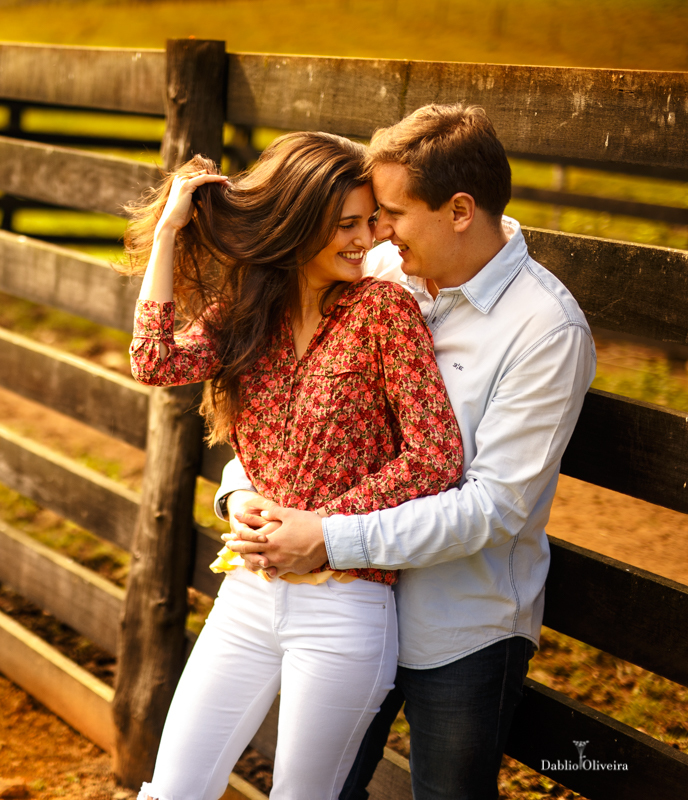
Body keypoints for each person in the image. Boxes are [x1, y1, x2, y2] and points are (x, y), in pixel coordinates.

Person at [219, 104, 597, 800]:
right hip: (349, 608)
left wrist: (330, 537)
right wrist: (241, 489)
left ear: (459, 210)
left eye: (392, 211)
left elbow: (494, 509)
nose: (377, 229)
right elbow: (299, 397)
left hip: (461, 626)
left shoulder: (545, 330)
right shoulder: (381, 271)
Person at [121, 131, 464, 800]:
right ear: (298, 222)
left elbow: (436, 455)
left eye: (370, 222)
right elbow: (155, 360)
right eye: (344, 226)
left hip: (346, 605)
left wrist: (318, 524)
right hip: (248, 591)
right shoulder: (251, 310)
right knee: (172, 791)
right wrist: (167, 233)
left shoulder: (383, 313)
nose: (367, 240)